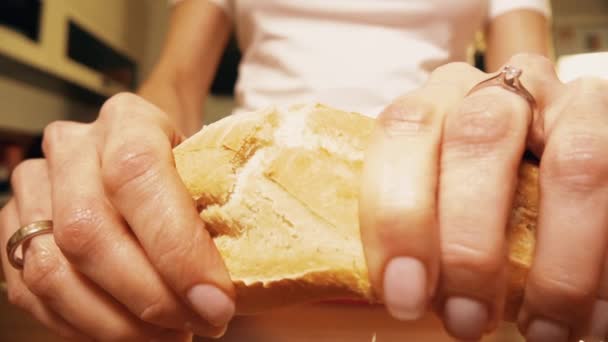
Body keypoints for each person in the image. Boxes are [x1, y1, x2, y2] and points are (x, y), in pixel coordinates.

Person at [1, 1, 607, 342]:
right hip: (249, 232)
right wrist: (125, 163)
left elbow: (518, 77)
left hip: (441, 223)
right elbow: (179, 81)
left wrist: (544, 132)